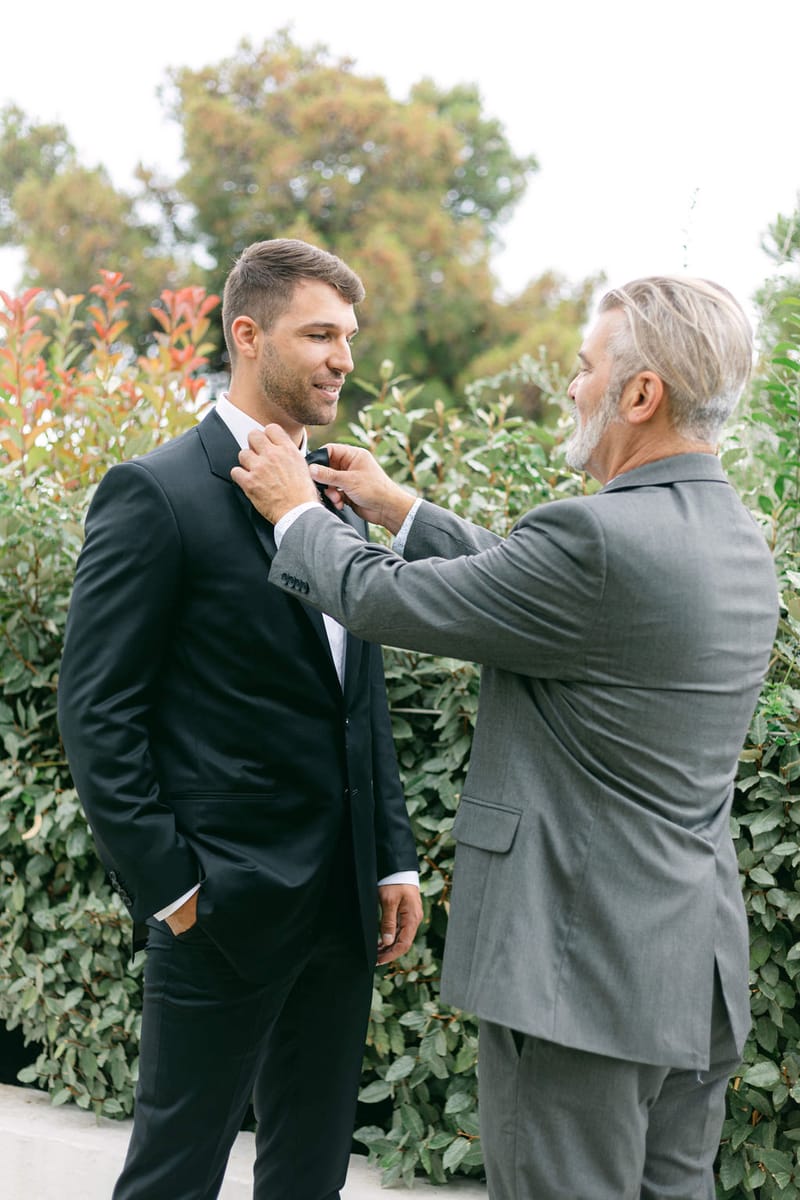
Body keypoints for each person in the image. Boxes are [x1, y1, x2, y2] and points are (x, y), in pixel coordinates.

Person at [230, 276, 780, 1200]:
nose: (571, 386)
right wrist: (406, 512)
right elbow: (545, 592)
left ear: (640, 396)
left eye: (584, 367)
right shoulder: (734, 536)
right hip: (692, 969)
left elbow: (384, 600)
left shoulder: (600, 539)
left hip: (581, 975)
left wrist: (292, 510)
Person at [57, 237, 422, 1200]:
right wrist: (172, 886)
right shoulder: (158, 492)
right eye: (320, 334)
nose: (344, 357)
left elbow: (357, 698)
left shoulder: (335, 502)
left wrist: (389, 854)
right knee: (173, 1178)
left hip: (342, 912)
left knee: (309, 1178)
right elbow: (97, 709)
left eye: (349, 336)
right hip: (219, 911)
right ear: (247, 334)